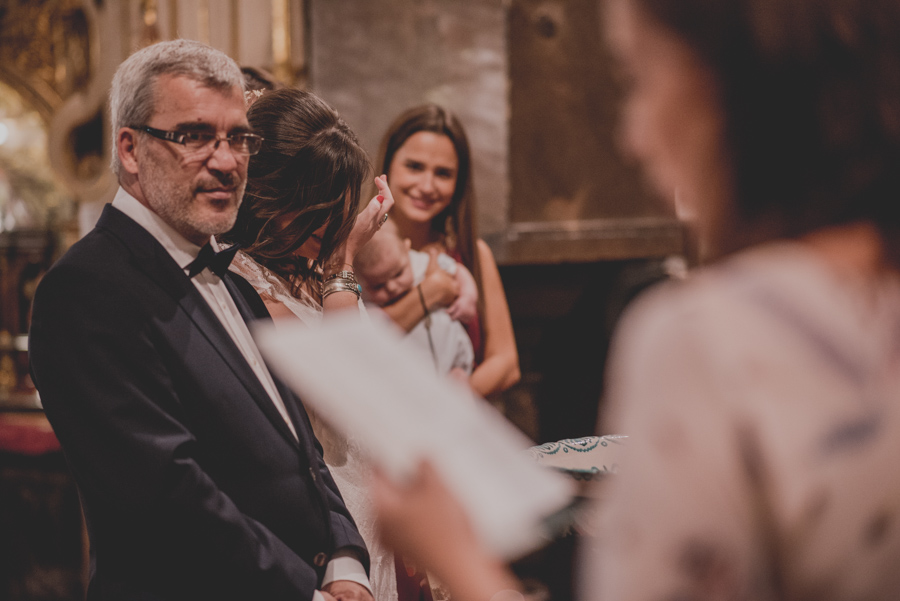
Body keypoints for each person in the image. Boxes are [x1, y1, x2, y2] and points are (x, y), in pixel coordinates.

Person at [372, 0, 900, 600]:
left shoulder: (706, 337)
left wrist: (454, 555)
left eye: (639, 81)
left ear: (732, 91)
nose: (633, 137)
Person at [28, 39, 373, 601]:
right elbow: (164, 493)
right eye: (193, 136)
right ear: (131, 149)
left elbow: (302, 453)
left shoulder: (233, 276)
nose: (226, 159)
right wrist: (304, 593)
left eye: (238, 137)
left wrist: (344, 562)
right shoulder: (86, 289)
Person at [219, 87, 396, 601]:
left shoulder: (303, 265)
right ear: (267, 191)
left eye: (337, 205)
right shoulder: (240, 282)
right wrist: (343, 265)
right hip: (327, 526)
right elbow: (336, 386)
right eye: (312, 206)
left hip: (368, 497)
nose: (328, 223)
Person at [374, 105, 520, 399]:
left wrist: (451, 404)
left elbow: (507, 364)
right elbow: (354, 347)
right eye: (414, 167)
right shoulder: (354, 247)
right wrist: (432, 291)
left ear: (458, 184)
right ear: (388, 167)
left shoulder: (473, 254)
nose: (426, 186)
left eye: (443, 173)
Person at [355, 226, 475, 381]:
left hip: (454, 362)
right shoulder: (363, 298)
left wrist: (468, 297)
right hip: (407, 377)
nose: (392, 287)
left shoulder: (423, 262)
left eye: (398, 273)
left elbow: (458, 270)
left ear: (407, 250)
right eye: (378, 286)